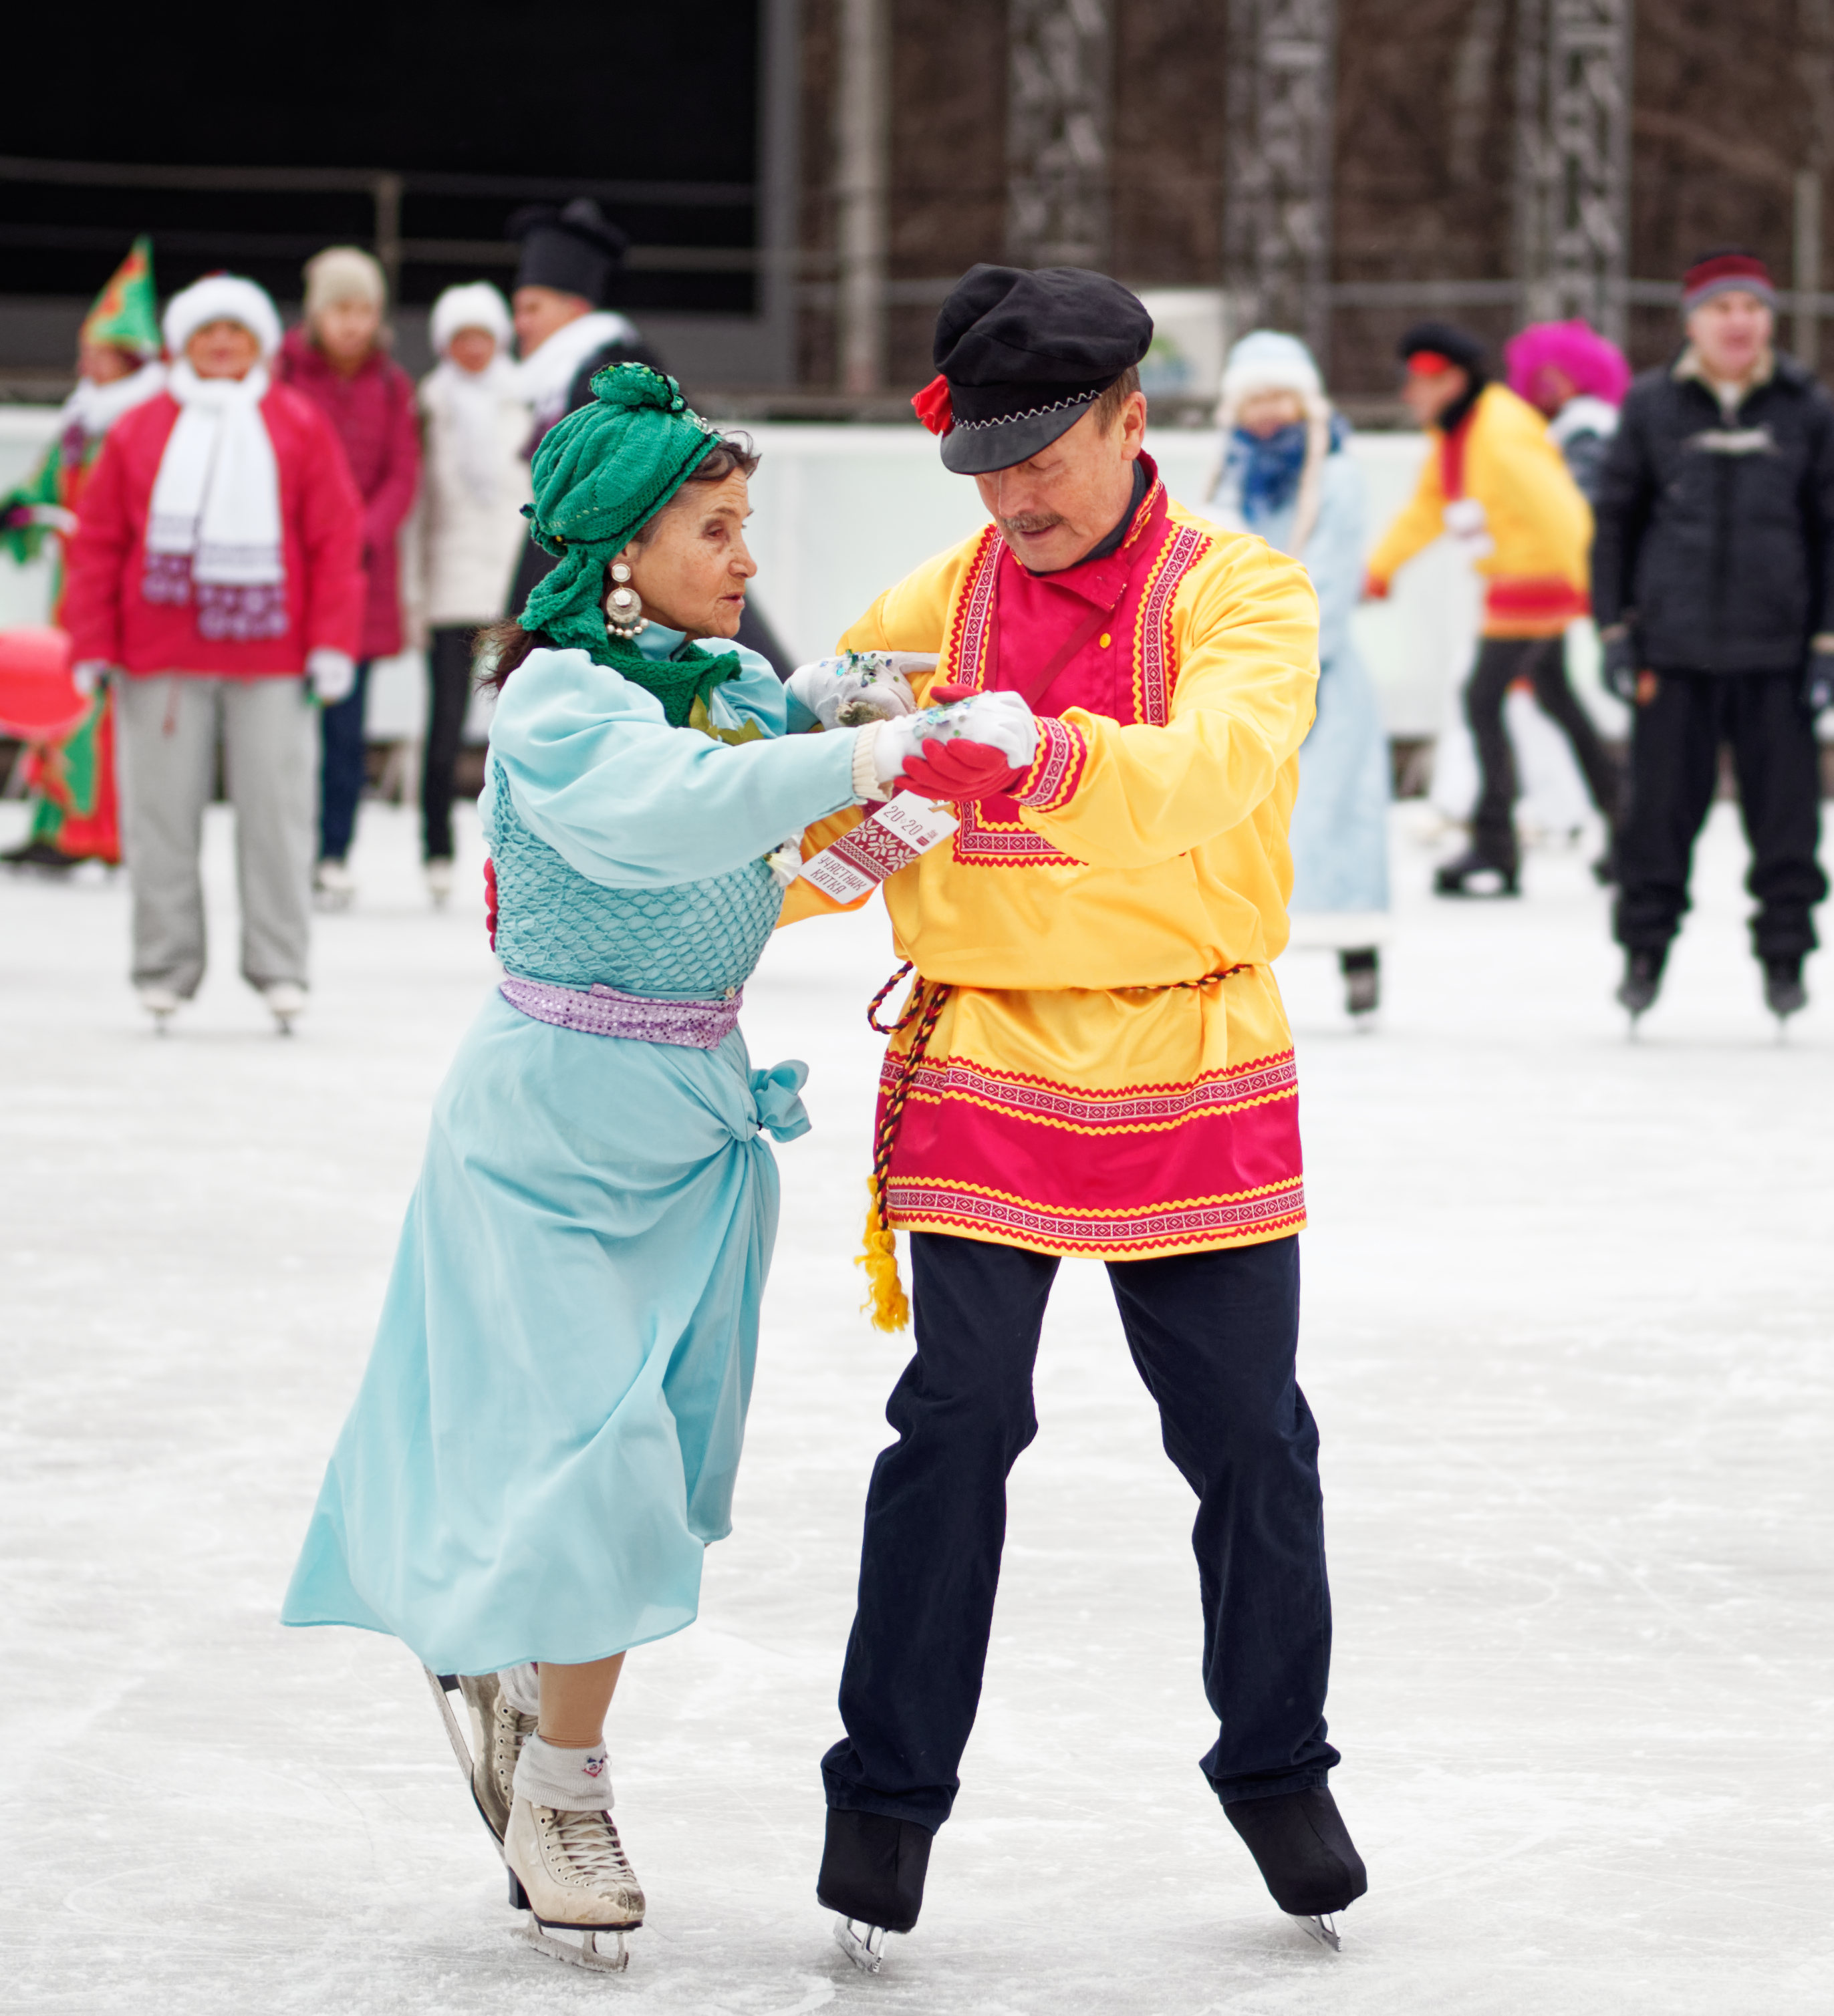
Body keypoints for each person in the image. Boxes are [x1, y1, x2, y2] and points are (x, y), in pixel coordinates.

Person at [282, 363, 1005, 1972]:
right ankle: (564, 1785)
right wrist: (872, 760)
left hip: (694, 1125)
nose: (745, 558)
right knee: (592, 1464)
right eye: (713, 527)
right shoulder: (559, 705)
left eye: (748, 524)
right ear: (617, 544)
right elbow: (683, 820)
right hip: (550, 1125)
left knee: (656, 1470)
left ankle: (528, 1675)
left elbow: (785, 854)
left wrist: (907, 788)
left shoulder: (726, 690)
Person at [783, 265, 1364, 1969]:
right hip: (987, 1054)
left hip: (1193, 1054)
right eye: (982, 462)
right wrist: (686, 890)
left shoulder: (1246, 594)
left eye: (1041, 453)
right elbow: (811, 794)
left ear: (1129, 420)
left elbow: (1214, 772)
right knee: (955, 1420)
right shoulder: (929, 603)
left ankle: (1276, 1765)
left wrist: (1031, 758)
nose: (1011, 495)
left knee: (1250, 1437)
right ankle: (883, 1796)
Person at [58, 273, 366, 1034]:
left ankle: (280, 965)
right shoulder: (138, 427)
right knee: (160, 818)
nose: (222, 344)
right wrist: (90, 642)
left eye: (236, 331)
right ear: (181, 342)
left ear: (260, 341)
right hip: (157, 656)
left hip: (272, 658)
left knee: (278, 819)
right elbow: (98, 544)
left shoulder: (297, 422)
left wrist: (332, 640)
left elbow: (334, 542)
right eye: (207, 332)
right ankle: (164, 966)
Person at [1595, 249, 1834, 1026]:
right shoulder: (1649, 407)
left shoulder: (1805, 408)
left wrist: (1832, 641)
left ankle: (1784, 955)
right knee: (1654, 820)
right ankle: (1643, 952)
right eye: (1722, 309)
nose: (1738, 322)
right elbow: (1612, 525)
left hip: (1776, 657)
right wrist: (1613, 630)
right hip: (1671, 655)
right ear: (1692, 322)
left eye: (1751, 308)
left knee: (1786, 821)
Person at [1365, 319, 1606, 895]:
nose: (1409, 394)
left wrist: (1592, 586)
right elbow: (1428, 508)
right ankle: (1628, 825)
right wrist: (1382, 569)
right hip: (1515, 585)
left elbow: (1560, 509)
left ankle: (1496, 847)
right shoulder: (1456, 432)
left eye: (1418, 381)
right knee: (1556, 702)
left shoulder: (1498, 431)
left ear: (1451, 381)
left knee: (1482, 700)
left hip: (1538, 585)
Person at [505, 197, 794, 675]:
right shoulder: (574, 372)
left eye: (531, 307)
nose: (520, 324)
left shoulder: (604, 371)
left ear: (573, 306)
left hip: (630, 583)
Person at [1207, 329, 1389, 1018]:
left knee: (1337, 818)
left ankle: (1358, 956)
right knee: (1242, 823)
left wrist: (1290, 669)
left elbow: (1333, 582)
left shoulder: (1335, 473)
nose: (1267, 411)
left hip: (1321, 675)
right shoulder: (1227, 474)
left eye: (1280, 395)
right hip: (1242, 680)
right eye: (1254, 398)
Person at [0, 239, 165, 875]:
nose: (85, 361)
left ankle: (106, 833)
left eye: (98, 351)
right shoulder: (83, 420)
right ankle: (60, 822)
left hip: (125, 587)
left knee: (107, 708)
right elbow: (42, 489)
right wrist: (7, 517)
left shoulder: (147, 421)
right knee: (63, 696)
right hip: (74, 580)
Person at [277, 247, 418, 911]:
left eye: (364, 310)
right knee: (278, 723)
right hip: (287, 570)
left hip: (356, 578)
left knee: (345, 728)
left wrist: (360, 532)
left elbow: (401, 472)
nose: (353, 324)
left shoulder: (391, 385)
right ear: (317, 313)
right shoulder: (279, 374)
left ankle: (333, 852)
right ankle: (282, 846)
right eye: (341, 309)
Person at [408, 280, 530, 906]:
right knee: (445, 725)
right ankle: (434, 848)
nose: (474, 350)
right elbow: (417, 509)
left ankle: (522, 851)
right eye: (461, 339)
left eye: (483, 336)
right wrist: (412, 594)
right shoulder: (429, 407)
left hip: (516, 589)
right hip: (451, 588)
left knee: (523, 726)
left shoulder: (526, 401)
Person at [1506, 317, 1633, 509]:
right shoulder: (1562, 425)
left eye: (1557, 377)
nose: (1546, 387)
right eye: (1539, 378)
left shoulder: (1586, 427)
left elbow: (1583, 498)